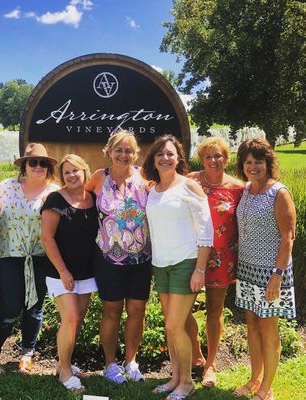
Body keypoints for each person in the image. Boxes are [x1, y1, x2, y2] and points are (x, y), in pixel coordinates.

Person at [143, 135, 213, 400]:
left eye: (170, 153)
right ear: (153, 160)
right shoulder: (153, 191)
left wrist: (200, 269)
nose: (165, 158)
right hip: (161, 264)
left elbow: (206, 231)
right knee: (170, 325)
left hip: (186, 262)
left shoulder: (189, 186)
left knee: (174, 325)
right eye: (160, 154)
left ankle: (187, 382)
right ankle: (175, 377)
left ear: (178, 158)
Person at [0, 143, 59, 375]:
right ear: (24, 166)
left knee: (34, 308)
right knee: (10, 308)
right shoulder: (6, 187)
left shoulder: (54, 192)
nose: (38, 166)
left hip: (40, 257)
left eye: (42, 163)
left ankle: (27, 355)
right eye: (32, 162)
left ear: (48, 167)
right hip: (8, 256)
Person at [86, 130, 152, 383]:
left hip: (141, 259)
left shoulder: (144, 176)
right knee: (111, 311)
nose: (124, 155)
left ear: (135, 154)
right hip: (108, 259)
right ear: (109, 152)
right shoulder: (98, 178)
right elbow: (76, 198)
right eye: (119, 150)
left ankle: (131, 361)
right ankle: (110, 364)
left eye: (129, 151)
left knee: (137, 310)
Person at [233, 138, 296, 400]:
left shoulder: (278, 192)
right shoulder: (247, 189)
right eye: (248, 162)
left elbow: (288, 237)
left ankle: (266, 388)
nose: (253, 166)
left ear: (268, 163)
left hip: (271, 273)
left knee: (269, 330)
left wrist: (276, 277)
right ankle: (254, 379)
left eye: (258, 161)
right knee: (252, 325)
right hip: (248, 271)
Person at [186, 137, 244, 387]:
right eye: (208, 156)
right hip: (190, 254)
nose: (213, 160)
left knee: (215, 310)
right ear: (201, 159)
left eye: (218, 155)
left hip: (222, 258)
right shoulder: (190, 182)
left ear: (226, 158)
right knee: (182, 310)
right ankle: (196, 353)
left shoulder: (238, 188)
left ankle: (210, 364)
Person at [41, 154, 98, 391]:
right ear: (62, 176)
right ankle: (65, 373)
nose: (72, 175)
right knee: (71, 317)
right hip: (60, 272)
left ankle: (63, 363)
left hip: (86, 271)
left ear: (85, 171)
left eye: (76, 170)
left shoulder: (93, 198)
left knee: (78, 318)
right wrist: (63, 271)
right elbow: (47, 237)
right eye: (66, 172)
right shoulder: (55, 199)